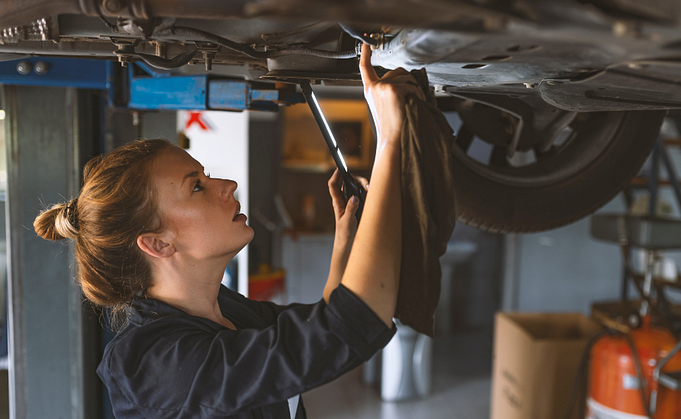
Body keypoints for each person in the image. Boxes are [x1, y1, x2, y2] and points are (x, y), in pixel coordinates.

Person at [33, 44, 425, 418]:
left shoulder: (226, 310)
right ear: (157, 243)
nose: (228, 185)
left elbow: (323, 328)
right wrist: (389, 137)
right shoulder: (153, 364)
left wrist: (346, 234)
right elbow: (346, 327)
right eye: (197, 186)